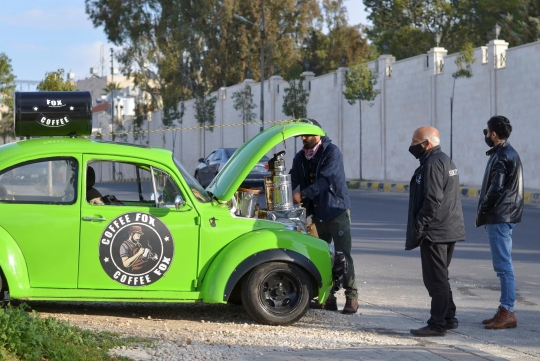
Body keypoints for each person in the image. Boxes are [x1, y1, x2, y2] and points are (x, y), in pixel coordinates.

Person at [289, 119, 359, 314]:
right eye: (301, 136)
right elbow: (292, 177)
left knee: (343, 256)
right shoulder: (301, 157)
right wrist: (275, 181)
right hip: (316, 214)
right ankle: (327, 299)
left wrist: (302, 194)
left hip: (336, 211)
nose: (304, 139)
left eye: (307, 135)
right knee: (321, 257)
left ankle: (352, 298)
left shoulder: (331, 152)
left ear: (318, 134)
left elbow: (326, 180)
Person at [406, 126, 465, 337]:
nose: (412, 146)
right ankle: (449, 317)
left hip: (436, 231)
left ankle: (437, 324)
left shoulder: (431, 163)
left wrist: (420, 225)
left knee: (435, 279)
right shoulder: (446, 160)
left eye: (415, 142)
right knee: (441, 276)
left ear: (427, 144)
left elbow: (432, 199)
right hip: (449, 228)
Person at [476, 115, 523, 330]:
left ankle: (507, 311)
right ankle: (504, 309)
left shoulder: (502, 155)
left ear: (494, 134)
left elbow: (496, 188)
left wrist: (485, 209)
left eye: (486, 131)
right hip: (503, 215)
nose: (485, 135)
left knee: (503, 266)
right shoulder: (506, 153)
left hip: (500, 216)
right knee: (503, 266)